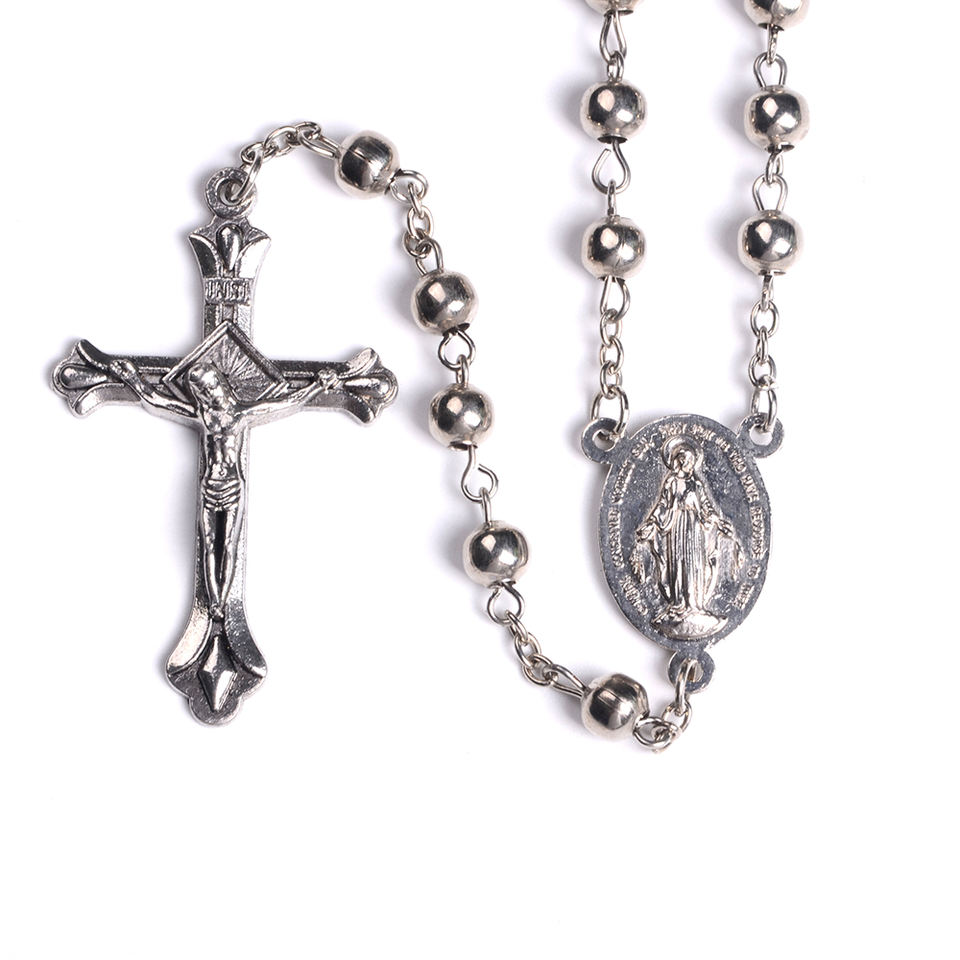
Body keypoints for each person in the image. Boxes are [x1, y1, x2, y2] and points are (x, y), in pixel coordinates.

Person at [109, 357, 338, 620]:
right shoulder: (201, 415)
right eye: (202, 391)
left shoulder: (241, 414)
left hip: (231, 488)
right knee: (209, 544)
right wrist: (132, 378)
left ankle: (222, 600)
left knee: (228, 544)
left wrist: (317, 386)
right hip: (209, 487)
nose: (209, 393)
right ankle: (215, 600)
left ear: (221, 384)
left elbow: (285, 403)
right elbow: (157, 400)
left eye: (211, 386)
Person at [632, 438, 742, 640]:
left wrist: (717, 521)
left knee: (695, 566)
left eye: (689, 460)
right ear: (676, 461)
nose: (685, 464)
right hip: (676, 530)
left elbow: (706, 506)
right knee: (678, 564)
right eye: (682, 460)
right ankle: (679, 605)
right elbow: (662, 506)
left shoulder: (696, 483)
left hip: (695, 529)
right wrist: (652, 522)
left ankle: (695, 605)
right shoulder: (671, 482)